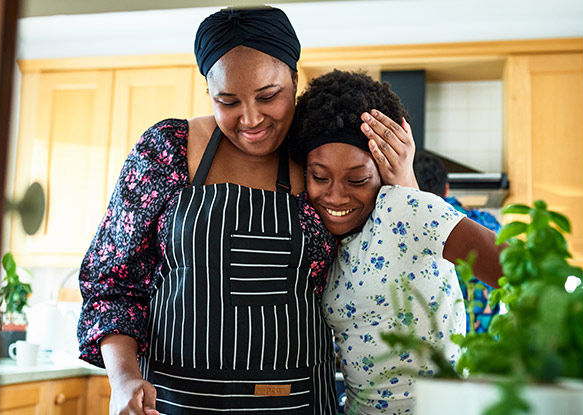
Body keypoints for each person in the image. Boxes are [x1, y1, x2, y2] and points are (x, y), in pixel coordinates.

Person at [76, 8, 412, 415]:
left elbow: (391, 258)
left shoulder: (321, 160)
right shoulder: (168, 150)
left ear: (294, 78)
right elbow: (112, 282)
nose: (251, 119)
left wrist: (405, 180)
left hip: (295, 402)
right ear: (209, 94)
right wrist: (123, 378)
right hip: (170, 403)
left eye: (268, 96)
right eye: (228, 101)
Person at [291, 70, 503, 414]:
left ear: (384, 171)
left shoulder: (405, 208)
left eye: (357, 178)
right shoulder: (323, 239)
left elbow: (516, 269)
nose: (335, 195)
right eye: (319, 177)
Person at [413, 150, 502, 333]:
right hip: (485, 347)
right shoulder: (489, 224)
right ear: (446, 188)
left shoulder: (410, 225)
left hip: (435, 348)